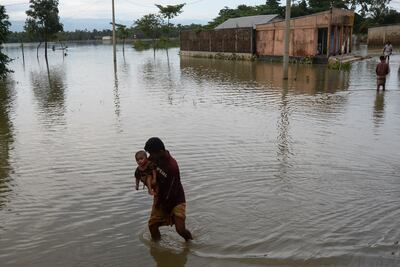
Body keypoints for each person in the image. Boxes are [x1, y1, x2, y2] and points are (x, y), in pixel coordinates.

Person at [144, 137, 193, 241]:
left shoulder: (172, 167)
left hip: (176, 199)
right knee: (152, 226)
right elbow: (145, 170)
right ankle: (157, 246)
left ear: (161, 152)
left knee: (180, 230)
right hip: (160, 196)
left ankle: (190, 243)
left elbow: (171, 191)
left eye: (151, 154)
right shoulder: (153, 158)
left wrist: (165, 208)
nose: (150, 156)